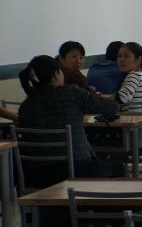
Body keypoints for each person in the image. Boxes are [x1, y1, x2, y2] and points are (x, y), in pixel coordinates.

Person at [16, 55, 120, 187]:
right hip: (77, 170)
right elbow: (112, 108)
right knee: (117, 168)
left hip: (39, 176)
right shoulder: (71, 93)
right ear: (56, 75)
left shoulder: (25, 106)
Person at [116, 42, 142, 135]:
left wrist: (103, 100)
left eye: (126, 56)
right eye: (119, 56)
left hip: (138, 134)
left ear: (138, 59)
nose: (121, 59)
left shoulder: (133, 75)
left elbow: (121, 98)